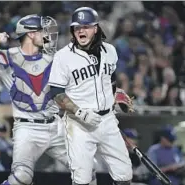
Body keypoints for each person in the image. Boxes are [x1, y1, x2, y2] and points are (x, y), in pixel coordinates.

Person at [0, 14, 97, 185]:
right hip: (27, 128)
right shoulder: (7, 57)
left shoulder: (54, 58)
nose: (47, 35)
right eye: (43, 31)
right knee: (22, 177)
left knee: (87, 168)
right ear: (31, 34)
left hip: (55, 125)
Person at [48, 7, 133, 185]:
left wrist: (116, 94)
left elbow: (109, 80)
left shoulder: (110, 51)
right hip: (78, 125)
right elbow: (56, 93)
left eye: (85, 26)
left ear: (95, 28)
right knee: (82, 179)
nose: (81, 31)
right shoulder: (63, 57)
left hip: (108, 120)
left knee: (124, 176)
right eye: (77, 27)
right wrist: (79, 112)